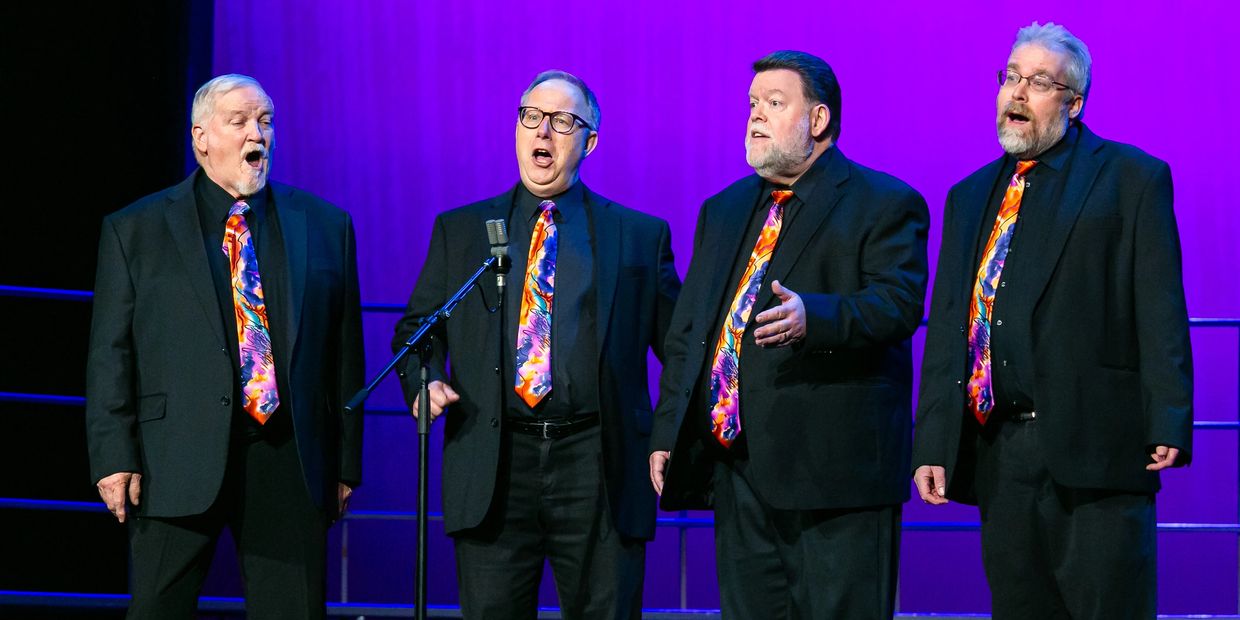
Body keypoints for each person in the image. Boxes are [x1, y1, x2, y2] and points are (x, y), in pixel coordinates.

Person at [911, 22, 1192, 619]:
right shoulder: (969, 196)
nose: (1017, 93)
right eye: (1011, 77)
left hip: (1098, 447)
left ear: (1074, 102)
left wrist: (1168, 413)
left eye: (1039, 82)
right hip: (1000, 453)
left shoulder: (1131, 179)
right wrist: (933, 440)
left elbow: (1159, 305)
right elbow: (949, 327)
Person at [649, 50, 929, 619]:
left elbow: (897, 305)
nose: (756, 115)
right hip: (738, 471)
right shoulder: (724, 210)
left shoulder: (883, 203)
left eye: (775, 103)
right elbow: (690, 333)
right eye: (753, 103)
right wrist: (667, 431)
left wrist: (813, 318)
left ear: (817, 119)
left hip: (835, 478)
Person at [391, 70, 680, 619]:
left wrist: (667, 435)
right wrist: (424, 381)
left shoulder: (638, 237)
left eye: (563, 121)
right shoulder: (463, 231)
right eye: (532, 117)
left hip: (598, 466)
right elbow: (417, 331)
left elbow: (680, 350)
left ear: (589, 142)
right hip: (495, 463)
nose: (543, 131)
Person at [86, 74, 365, 619]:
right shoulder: (136, 229)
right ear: (201, 138)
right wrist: (114, 456)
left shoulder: (326, 226)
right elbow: (110, 354)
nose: (256, 134)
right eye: (238, 122)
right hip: (173, 459)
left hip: (288, 460)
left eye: (265, 121)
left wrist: (345, 465)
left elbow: (345, 354)